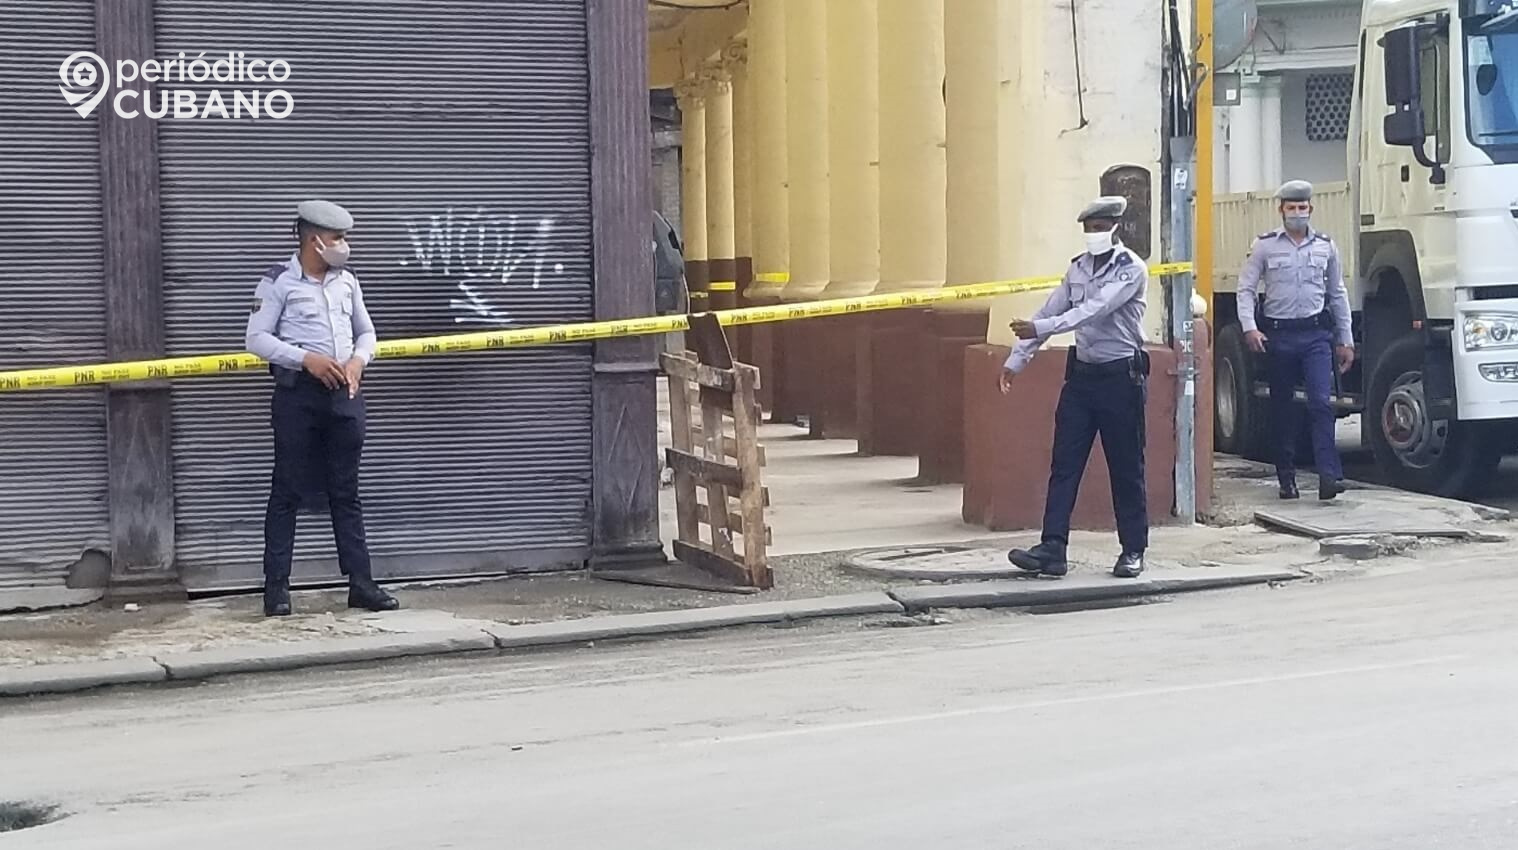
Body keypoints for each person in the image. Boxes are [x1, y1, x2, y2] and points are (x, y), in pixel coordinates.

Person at [245, 200, 400, 617]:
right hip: (298, 395)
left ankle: (361, 584)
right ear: (314, 240)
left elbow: (367, 332)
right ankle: (277, 588)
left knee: (346, 491)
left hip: (344, 395)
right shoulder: (278, 281)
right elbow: (255, 338)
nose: (344, 245)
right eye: (337, 238)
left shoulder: (346, 281)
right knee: (287, 490)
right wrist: (305, 359)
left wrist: (359, 361)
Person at [1001, 195, 1151, 580]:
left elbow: (1092, 310)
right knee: (1064, 464)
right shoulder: (1078, 268)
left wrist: (1040, 329)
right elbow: (1050, 310)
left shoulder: (1130, 269)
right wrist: (1017, 359)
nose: (1094, 234)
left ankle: (1133, 549)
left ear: (1115, 228)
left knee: (1125, 468)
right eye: (1089, 229)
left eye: (1100, 228)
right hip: (1082, 379)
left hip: (1120, 379)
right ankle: (1053, 548)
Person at [1237, 179, 1354, 502]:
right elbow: (1246, 289)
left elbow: (1337, 293)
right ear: (1282, 210)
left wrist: (1345, 339)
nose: (1298, 213)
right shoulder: (1265, 246)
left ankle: (1329, 476)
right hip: (1280, 336)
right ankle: (1286, 477)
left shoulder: (1326, 246)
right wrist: (1249, 327)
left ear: (1311, 209)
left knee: (1321, 404)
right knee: (1283, 409)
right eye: (1292, 207)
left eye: (1302, 207)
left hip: (1315, 335)